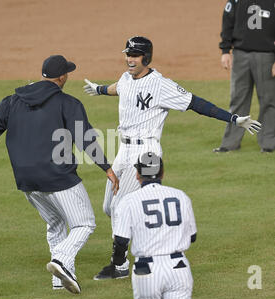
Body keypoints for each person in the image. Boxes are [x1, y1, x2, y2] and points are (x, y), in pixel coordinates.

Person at [83, 36, 261, 280]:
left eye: (134, 55)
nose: (129, 59)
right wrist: (100, 89)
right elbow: (119, 88)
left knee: (120, 208)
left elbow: (196, 103)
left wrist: (232, 119)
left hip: (146, 152)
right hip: (123, 150)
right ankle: (145, 228)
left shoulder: (161, 85)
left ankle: (120, 264)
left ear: (146, 57)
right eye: (127, 54)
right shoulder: (126, 78)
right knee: (108, 207)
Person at [0, 54, 119, 294]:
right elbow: (85, 140)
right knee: (84, 224)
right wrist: (107, 168)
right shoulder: (68, 103)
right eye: (67, 72)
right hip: (58, 177)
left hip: (26, 180)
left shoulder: (12, 101)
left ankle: (58, 281)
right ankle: (61, 261)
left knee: (56, 222)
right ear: (62, 77)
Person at [111, 152, 197, 299]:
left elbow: (121, 241)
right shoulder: (180, 196)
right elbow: (192, 236)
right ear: (162, 173)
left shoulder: (129, 201)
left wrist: (117, 263)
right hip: (178, 267)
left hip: (146, 270)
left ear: (138, 175)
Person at [214, 0, 275, 153]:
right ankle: (230, 144)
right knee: (238, 100)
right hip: (240, 54)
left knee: (269, 100)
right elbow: (227, 22)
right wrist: (225, 51)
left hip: (267, 55)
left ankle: (268, 144)